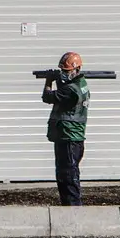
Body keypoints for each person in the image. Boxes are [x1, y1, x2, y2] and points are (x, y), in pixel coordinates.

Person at [42, 51, 90, 206]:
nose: (64, 74)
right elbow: (66, 88)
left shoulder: (70, 90)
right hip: (72, 137)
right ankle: (70, 207)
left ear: (76, 69)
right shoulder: (81, 85)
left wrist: (49, 81)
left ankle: (73, 210)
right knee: (66, 175)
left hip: (68, 137)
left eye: (67, 71)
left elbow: (47, 97)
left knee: (68, 177)